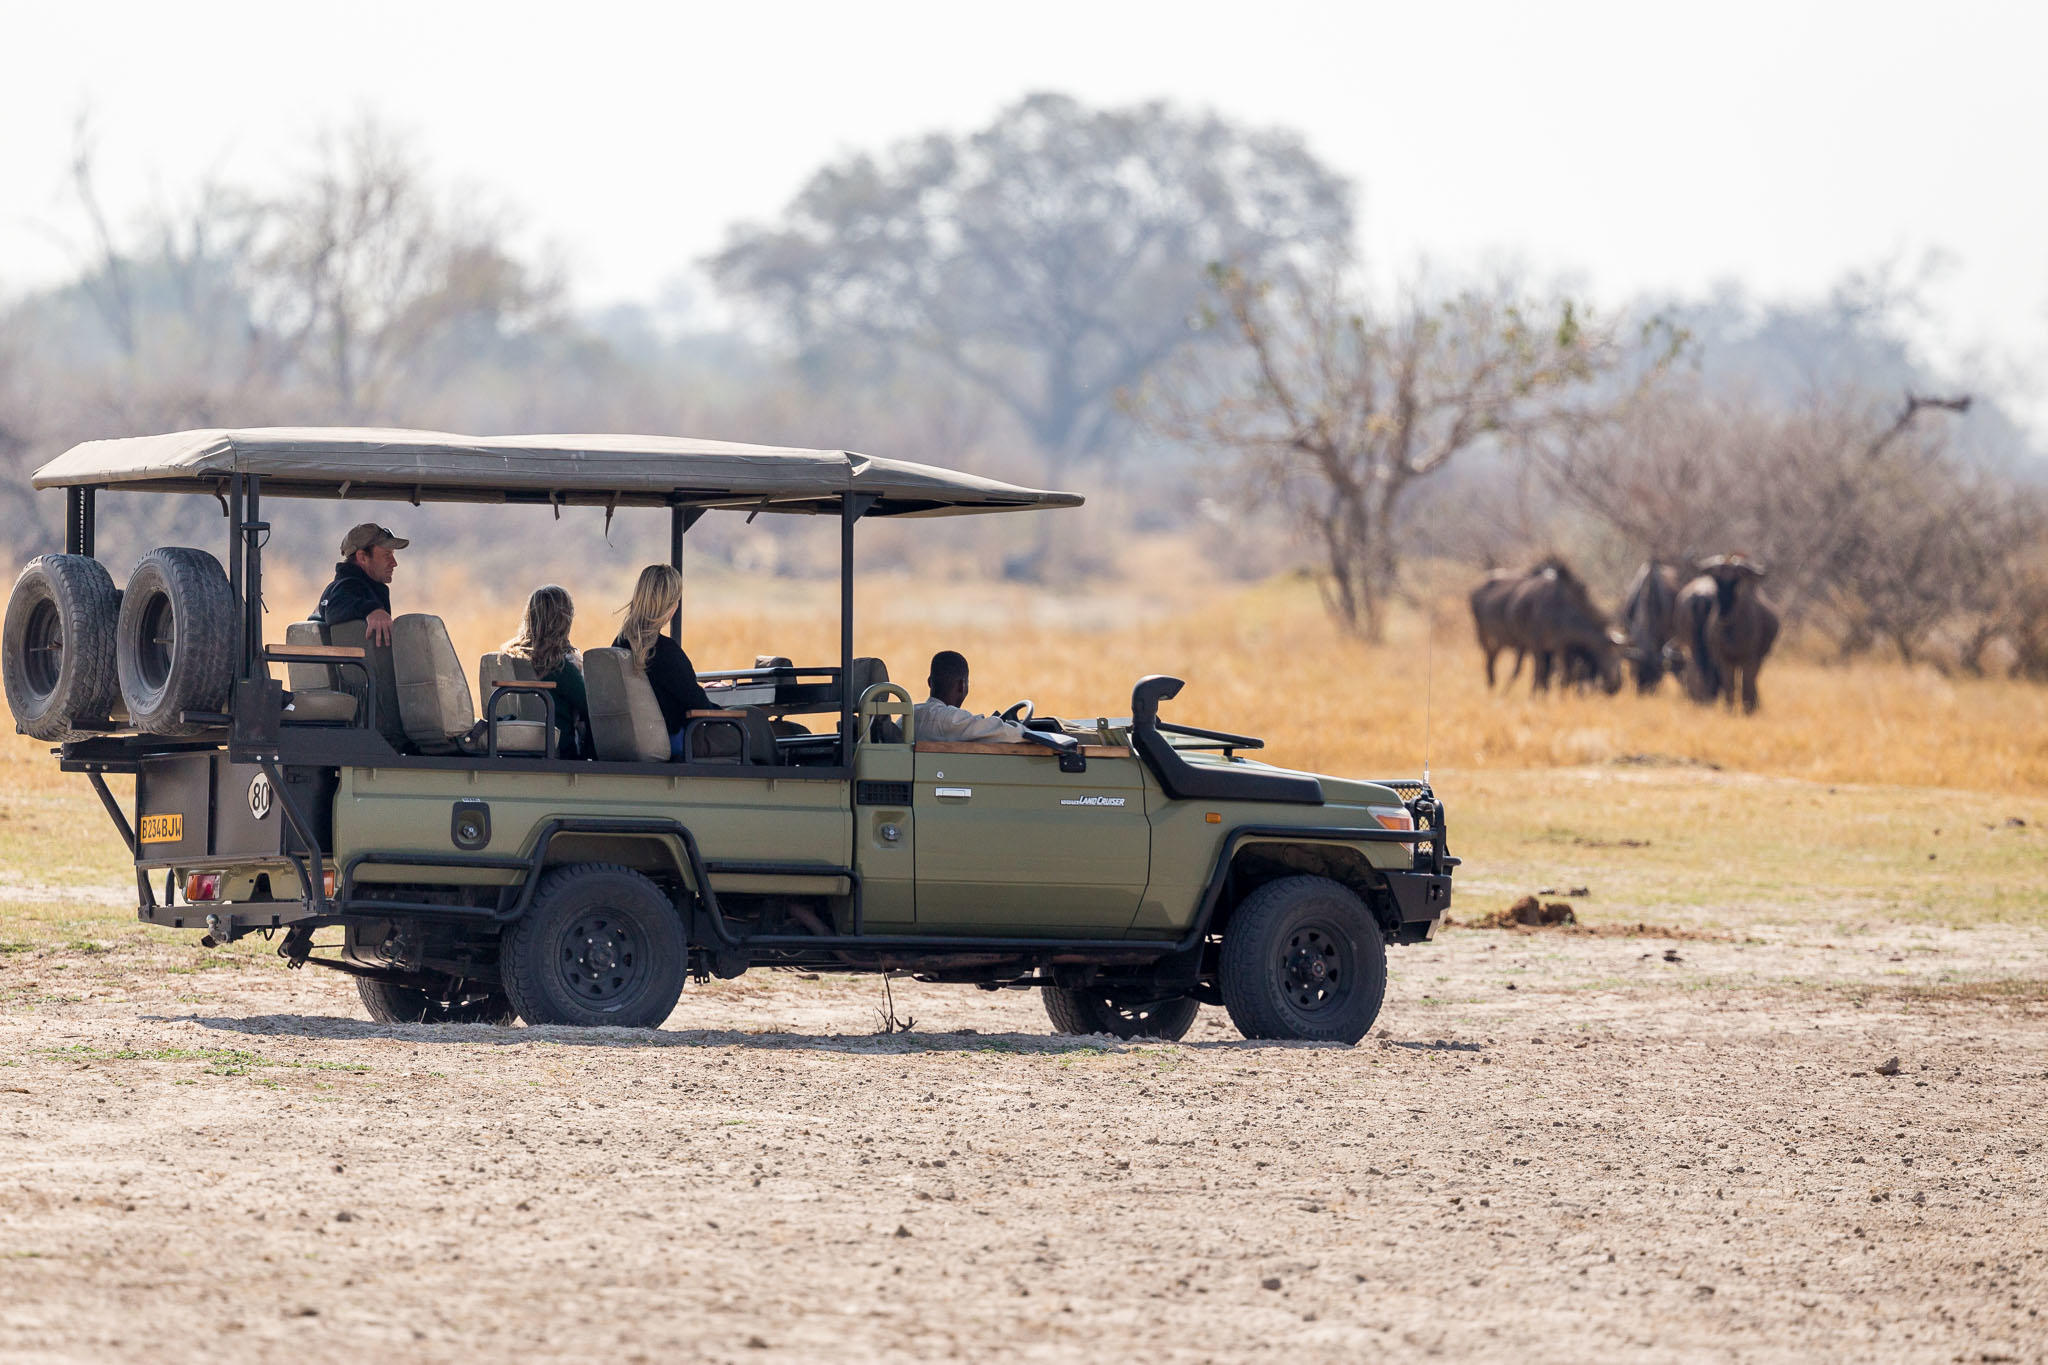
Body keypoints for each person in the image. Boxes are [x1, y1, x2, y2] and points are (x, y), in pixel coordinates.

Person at [613, 564, 717, 758]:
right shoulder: (666, 651)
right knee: (754, 721)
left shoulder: (620, 644)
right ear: (671, 607)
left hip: (632, 741)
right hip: (676, 742)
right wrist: (725, 708)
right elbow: (701, 706)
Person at [500, 584, 589, 758]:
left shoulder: (511, 659)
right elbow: (591, 708)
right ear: (566, 621)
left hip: (516, 746)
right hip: (560, 752)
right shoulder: (559, 667)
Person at [312, 523, 406, 646]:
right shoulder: (349, 586)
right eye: (387, 555)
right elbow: (336, 606)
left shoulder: (339, 587)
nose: (394, 563)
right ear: (362, 557)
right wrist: (372, 610)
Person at [913, 650, 1026, 743]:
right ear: (962, 686)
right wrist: (1025, 730)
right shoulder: (951, 719)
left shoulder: (908, 717)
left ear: (929, 682)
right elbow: (1008, 733)